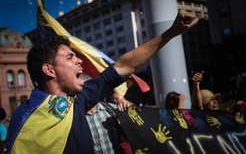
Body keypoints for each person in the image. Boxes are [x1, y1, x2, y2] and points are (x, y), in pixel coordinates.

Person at [6, 10, 199, 154]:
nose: (79, 60)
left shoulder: (80, 100)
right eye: (70, 57)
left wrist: (172, 32)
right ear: (49, 70)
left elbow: (124, 65)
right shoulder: (24, 120)